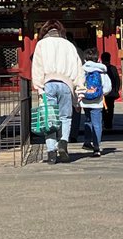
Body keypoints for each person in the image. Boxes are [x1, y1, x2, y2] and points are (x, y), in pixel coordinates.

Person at [29, 20, 84, 164]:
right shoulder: (69, 45)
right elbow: (78, 67)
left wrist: (38, 86)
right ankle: (63, 143)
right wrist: (79, 88)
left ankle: (51, 152)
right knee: (65, 117)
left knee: (49, 118)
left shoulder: (41, 45)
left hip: (48, 83)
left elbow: (37, 67)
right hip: (66, 84)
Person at [78, 51, 110, 156]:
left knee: (88, 120)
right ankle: (97, 147)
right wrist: (100, 93)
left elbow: (78, 85)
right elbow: (107, 87)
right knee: (97, 123)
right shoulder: (101, 71)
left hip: (85, 100)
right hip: (97, 101)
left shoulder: (82, 70)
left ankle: (87, 142)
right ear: (97, 59)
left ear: (85, 59)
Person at [99, 50, 122, 135]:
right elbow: (117, 80)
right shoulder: (113, 68)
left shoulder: (100, 68)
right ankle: (109, 124)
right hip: (111, 92)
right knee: (110, 108)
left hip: (102, 92)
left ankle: (104, 123)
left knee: (102, 108)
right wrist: (116, 89)